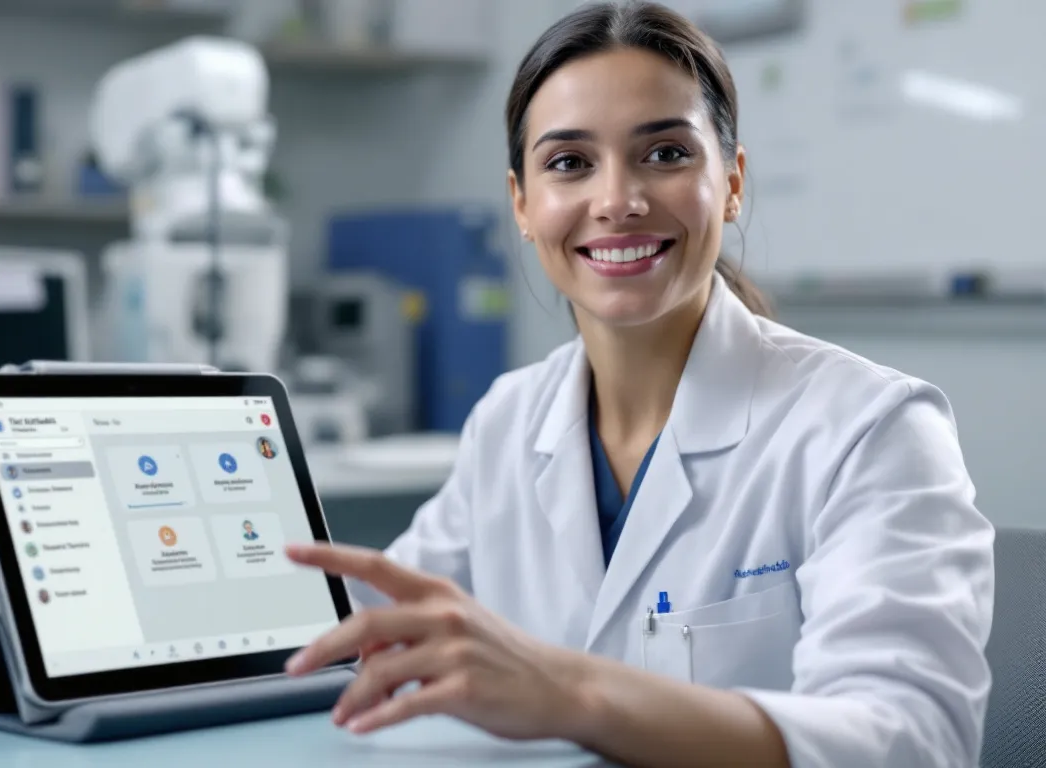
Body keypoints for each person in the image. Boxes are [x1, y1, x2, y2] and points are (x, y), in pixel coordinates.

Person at [280, 3, 995, 767]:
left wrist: (574, 694)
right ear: (522, 203)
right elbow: (381, 626)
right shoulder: (510, 420)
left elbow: (915, 741)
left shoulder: (870, 428)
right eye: (569, 163)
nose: (617, 200)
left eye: (664, 153)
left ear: (732, 183)